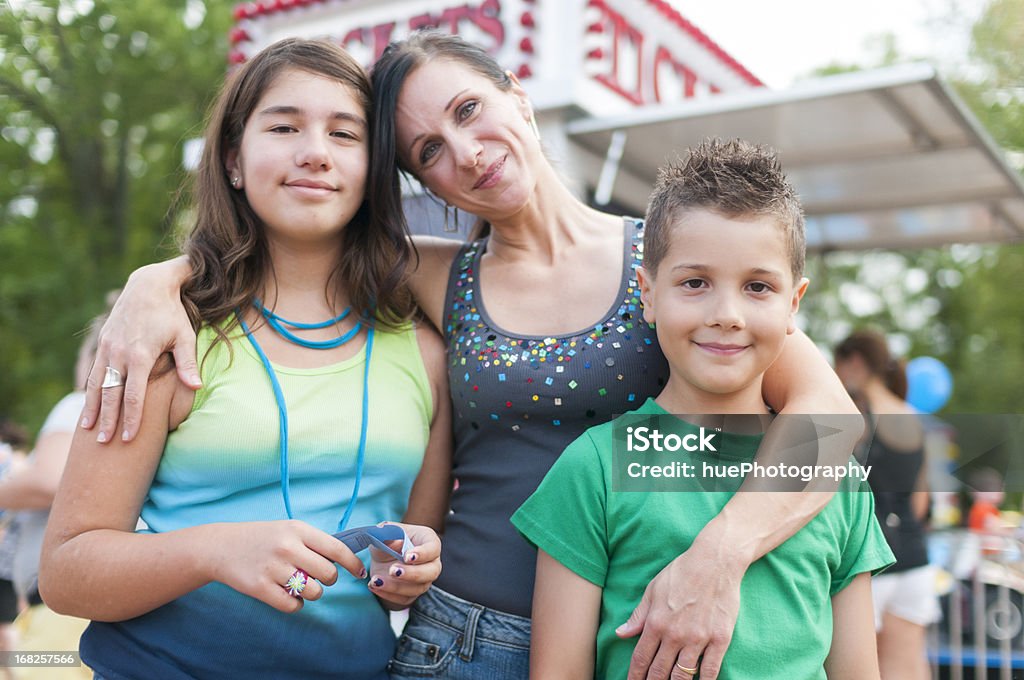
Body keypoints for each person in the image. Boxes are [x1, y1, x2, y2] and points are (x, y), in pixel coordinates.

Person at [78, 31, 863, 680]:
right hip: (462, 639)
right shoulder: (430, 272)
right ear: (423, 181)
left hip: (641, 623)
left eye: (469, 109)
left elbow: (829, 421)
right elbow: (290, 237)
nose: (467, 151)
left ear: (517, 95)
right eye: (430, 148)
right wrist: (163, 279)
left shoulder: (670, 267)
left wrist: (718, 558)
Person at [39, 38, 448, 680]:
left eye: (345, 134)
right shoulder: (164, 338)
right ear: (233, 158)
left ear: (373, 168)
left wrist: (414, 566)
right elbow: (65, 573)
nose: (313, 151)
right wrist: (213, 551)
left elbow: (411, 545)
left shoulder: (424, 352)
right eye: (284, 126)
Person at [514, 140, 895, 679]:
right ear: (647, 294)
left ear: (794, 304)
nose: (727, 314)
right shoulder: (594, 468)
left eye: (758, 287)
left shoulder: (839, 481)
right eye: (695, 283)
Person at [0, 295, 119, 680]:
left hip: (59, 616)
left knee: (24, 667)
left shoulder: (80, 403)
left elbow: (49, 481)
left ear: (91, 359)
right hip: (101, 613)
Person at [834, 330, 938, 680]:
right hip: (915, 559)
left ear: (855, 364)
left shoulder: (856, 411)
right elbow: (921, 503)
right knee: (908, 664)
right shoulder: (914, 417)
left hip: (870, 561)